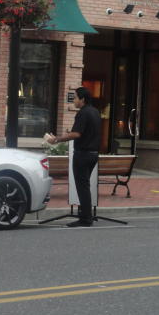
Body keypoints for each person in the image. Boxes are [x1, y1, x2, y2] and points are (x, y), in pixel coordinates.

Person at [46, 87, 101, 227]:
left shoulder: (83, 113)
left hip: (83, 154)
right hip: (94, 154)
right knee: (85, 186)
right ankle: (86, 215)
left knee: (82, 187)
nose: (74, 100)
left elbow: (76, 134)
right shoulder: (95, 112)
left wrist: (57, 139)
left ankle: (85, 218)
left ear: (82, 99)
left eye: (76, 97)